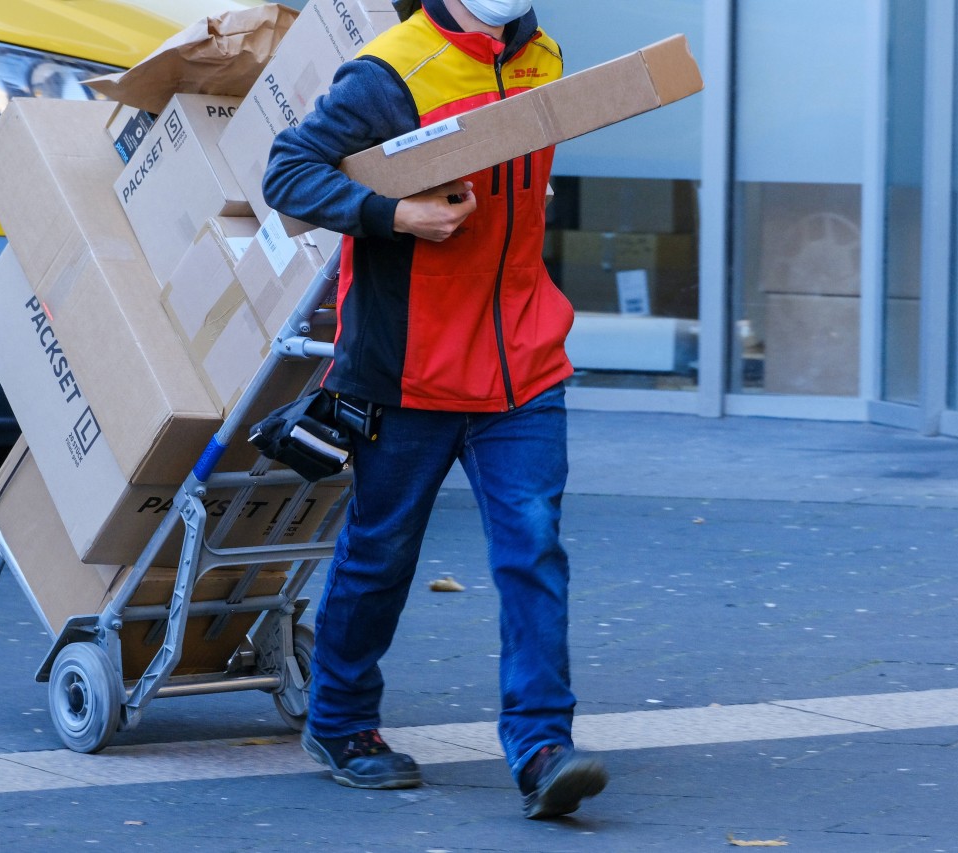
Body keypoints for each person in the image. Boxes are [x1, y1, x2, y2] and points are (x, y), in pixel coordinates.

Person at [262, 0, 607, 820]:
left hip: (523, 362)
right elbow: (287, 172)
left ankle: (542, 748)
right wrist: (396, 213)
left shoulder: (544, 57)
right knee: (380, 555)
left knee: (534, 550)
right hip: (406, 371)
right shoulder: (390, 72)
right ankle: (341, 723)